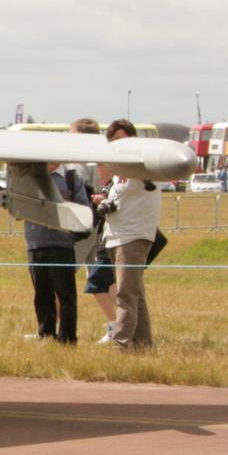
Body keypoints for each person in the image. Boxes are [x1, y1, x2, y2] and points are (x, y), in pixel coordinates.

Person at [98, 118, 162, 349]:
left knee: (125, 294)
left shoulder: (144, 165)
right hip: (116, 235)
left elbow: (148, 178)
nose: (119, 146)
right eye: (113, 142)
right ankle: (143, 343)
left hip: (133, 237)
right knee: (136, 294)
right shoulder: (119, 172)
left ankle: (121, 343)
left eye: (122, 141)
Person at [22, 162, 84, 344]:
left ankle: (67, 338)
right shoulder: (29, 179)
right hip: (35, 243)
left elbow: (83, 208)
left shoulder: (71, 179)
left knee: (65, 295)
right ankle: (46, 334)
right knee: (42, 294)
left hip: (62, 245)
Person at [68, 117, 119, 334]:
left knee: (65, 275)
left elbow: (79, 195)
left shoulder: (79, 162)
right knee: (101, 279)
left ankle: (53, 327)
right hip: (101, 225)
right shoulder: (101, 158)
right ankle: (117, 322)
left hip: (84, 226)